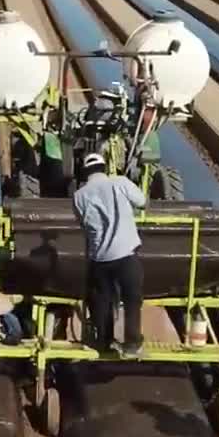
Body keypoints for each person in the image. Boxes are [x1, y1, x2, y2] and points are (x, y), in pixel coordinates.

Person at [72, 152, 146, 357]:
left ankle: (104, 343)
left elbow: (83, 225)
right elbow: (142, 201)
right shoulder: (120, 182)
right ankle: (132, 343)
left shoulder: (79, 196)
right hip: (125, 255)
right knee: (132, 299)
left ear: (85, 172)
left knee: (102, 301)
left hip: (99, 259)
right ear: (104, 168)